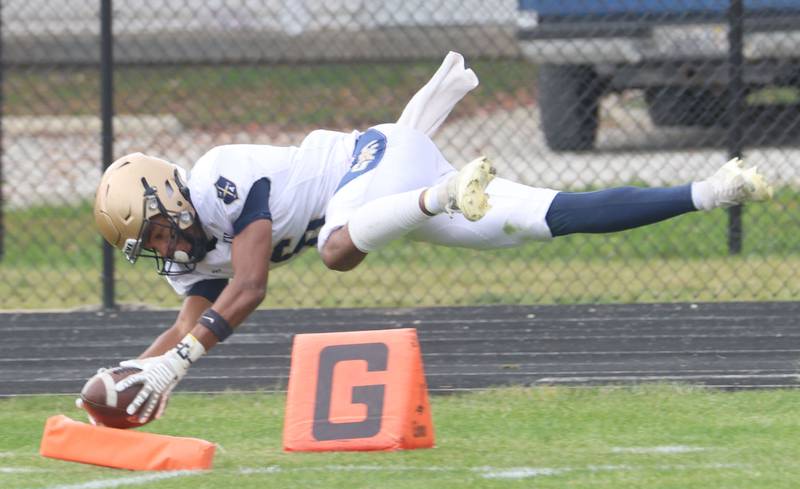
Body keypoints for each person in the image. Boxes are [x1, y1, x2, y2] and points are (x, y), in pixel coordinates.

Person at [88, 55, 773, 425]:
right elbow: (188, 322)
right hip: (388, 191)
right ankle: (709, 190)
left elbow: (249, 288)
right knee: (548, 219)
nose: (159, 248)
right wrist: (122, 382)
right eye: (143, 245)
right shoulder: (188, 250)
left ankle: (440, 196)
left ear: (168, 194)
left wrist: (175, 365)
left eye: (152, 231)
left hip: (381, 159)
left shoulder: (218, 180)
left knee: (337, 252)